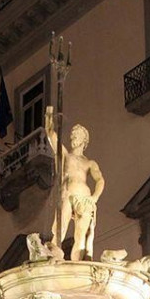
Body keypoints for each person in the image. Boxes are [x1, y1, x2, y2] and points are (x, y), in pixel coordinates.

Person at [44, 105, 104, 261]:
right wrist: (49, 118)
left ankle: (79, 264)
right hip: (68, 194)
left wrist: (95, 197)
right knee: (60, 227)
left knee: (81, 235)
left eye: (76, 135)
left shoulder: (90, 163)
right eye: (72, 135)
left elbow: (100, 180)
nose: (72, 137)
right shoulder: (66, 156)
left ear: (84, 139)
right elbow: (51, 135)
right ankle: (54, 255)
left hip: (84, 197)